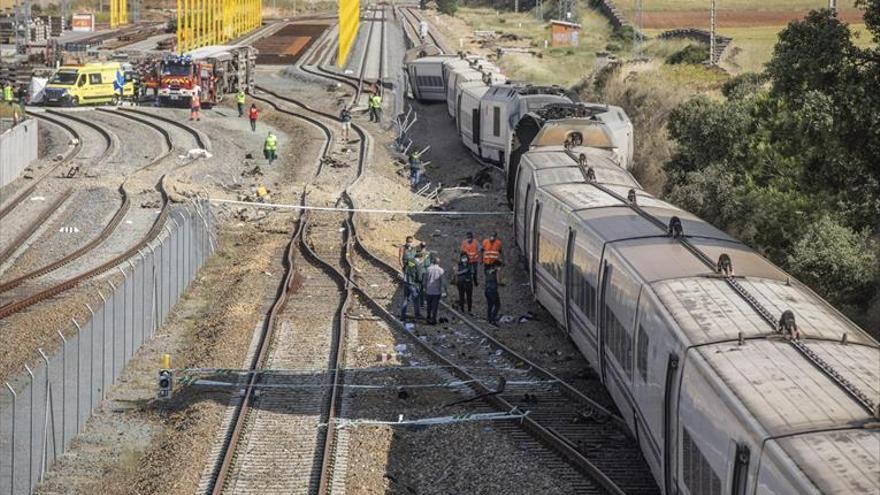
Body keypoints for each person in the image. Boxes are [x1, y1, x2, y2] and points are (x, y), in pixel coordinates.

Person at [400, 247, 422, 321]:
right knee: (415, 300)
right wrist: (420, 282)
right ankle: (417, 315)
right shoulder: (417, 264)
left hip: (406, 282)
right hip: (413, 284)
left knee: (406, 299)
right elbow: (419, 277)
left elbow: (404, 268)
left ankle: (402, 316)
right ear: (420, 257)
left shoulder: (410, 261)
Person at [423, 256, 446, 325]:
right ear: (439, 263)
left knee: (429, 305)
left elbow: (424, 280)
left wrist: (424, 288)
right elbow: (443, 282)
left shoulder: (428, 269)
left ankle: (428, 318)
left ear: (432, 262)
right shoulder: (441, 270)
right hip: (437, 292)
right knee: (435, 306)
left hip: (429, 291)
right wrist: (444, 291)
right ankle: (433, 320)